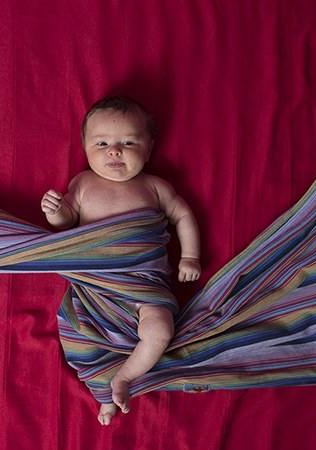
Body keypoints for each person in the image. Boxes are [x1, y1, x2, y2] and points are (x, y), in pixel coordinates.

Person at [41, 96, 201, 425]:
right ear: (85, 147)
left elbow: (183, 215)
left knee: (160, 330)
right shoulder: (82, 183)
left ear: (149, 147)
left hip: (144, 291)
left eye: (128, 142)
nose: (114, 150)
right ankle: (104, 396)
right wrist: (56, 213)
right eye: (101, 142)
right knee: (79, 339)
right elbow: (67, 221)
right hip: (94, 290)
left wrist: (191, 256)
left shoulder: (155, 187)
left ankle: (124, 378)